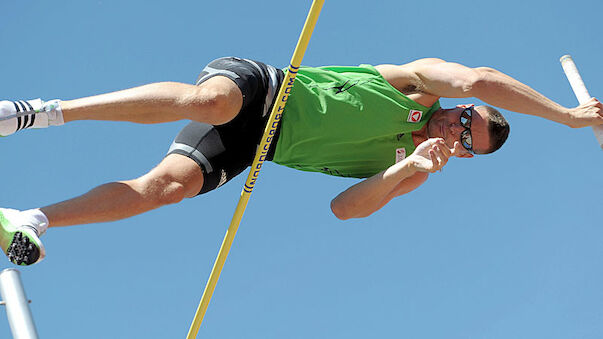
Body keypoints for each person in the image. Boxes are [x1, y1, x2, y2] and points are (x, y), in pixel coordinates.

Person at [0, 57, 601, 266]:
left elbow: (344, 209)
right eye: (468, 118)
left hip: (259, 144)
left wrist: (408, 169)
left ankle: (32, 218)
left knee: (166, 188)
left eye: (469, 141)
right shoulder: (420, 84)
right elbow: (479, 78)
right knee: (211, 99)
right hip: (266, 89)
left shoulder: (414, 167)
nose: (460, 128)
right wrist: (570, 119)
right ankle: (37, 112)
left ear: (465, 155)